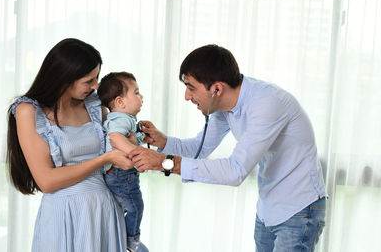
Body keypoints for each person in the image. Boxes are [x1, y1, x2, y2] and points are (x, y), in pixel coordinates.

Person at [129, 44, 327, 251]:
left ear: (216, 89)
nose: (187, 96)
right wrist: (162, 141)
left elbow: (235, 171)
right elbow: (200, 147)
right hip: (268, 208)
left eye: (191, 87)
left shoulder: (266, 103)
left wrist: (164, 163)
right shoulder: (224, 106)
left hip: (299, 209)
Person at [6, 38, 133, 252]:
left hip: (103, 209)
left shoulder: (95, 106)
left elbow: (115, 148)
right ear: (64, 78)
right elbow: (46, 181)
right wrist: (104, 159)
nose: (96, 86)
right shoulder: (28, 111)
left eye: (97, 78)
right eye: (89, 80)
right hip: (63, 212)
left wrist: (130, 143)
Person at [97, 72, 149, 252]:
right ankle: (131, 239)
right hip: (121, 174)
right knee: (136, 206)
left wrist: (141, 136)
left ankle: (123, 236)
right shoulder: (120, 119)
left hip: (121, 174)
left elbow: (125, 137)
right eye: (136, 92)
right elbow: (116, 138)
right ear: (120, 102)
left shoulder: (124, 119)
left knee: (127, 207)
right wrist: (136, 153)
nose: (141, 97)